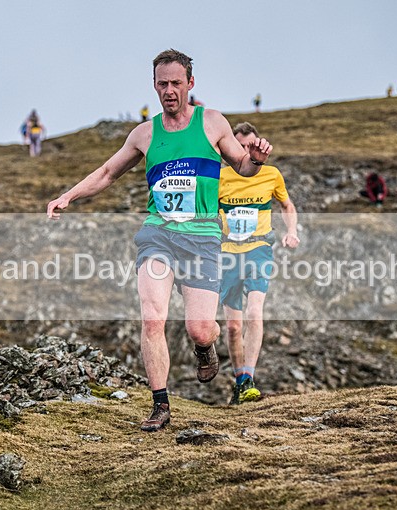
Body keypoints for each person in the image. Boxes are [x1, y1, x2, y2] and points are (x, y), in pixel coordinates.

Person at [46, 49, 272, 431]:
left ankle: (205, 347)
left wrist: (258, 159)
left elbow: (243, 167)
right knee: (152, 317)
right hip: (158, 235)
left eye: (176, 83)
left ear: (190, 84)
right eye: (162, 84)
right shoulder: (144, 134)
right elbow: (106, 172)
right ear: (154, 85)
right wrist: (69, 195)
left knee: (200, 328)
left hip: (201, 239)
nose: (169, 91)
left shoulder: (213, 123)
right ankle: (160, 404)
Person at [218, 122, 298, 405]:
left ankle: (248, 377)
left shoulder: (271, 174)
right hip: (227, 254)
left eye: (250, 146)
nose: (245, 152)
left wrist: (291, 231)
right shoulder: (220, 176)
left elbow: (287, 206)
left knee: (254, 312)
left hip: (259, 251)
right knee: (232, 327)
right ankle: (239, 379)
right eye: (239, 147)